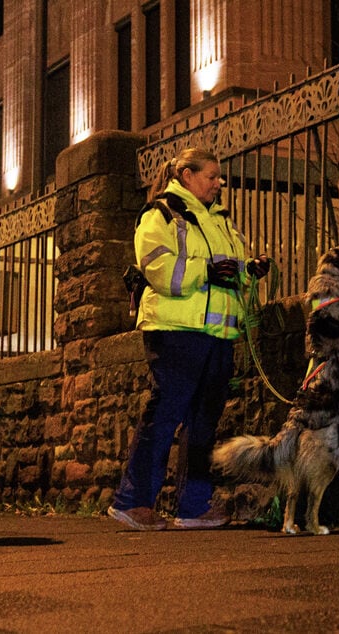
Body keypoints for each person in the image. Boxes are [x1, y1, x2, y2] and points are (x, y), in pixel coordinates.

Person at [107, 148, 270, 531]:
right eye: (211, 176)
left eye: (219, 176)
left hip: (216, 332)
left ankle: (193, 506)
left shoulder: (220, 221)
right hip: (176, 330)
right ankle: (133, 502)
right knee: (165, 415)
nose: (219, 183)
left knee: (203, 423)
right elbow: (162, 269)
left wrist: (250, 270)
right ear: (185, 174)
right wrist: (208, 270)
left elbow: (228, 272)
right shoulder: (160, 214)